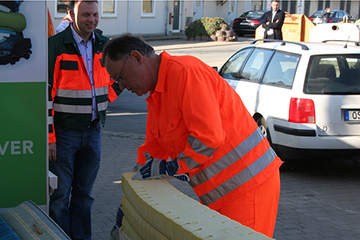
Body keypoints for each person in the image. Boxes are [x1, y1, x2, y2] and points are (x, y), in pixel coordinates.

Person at [101, 34, 283, 238]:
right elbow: (151, 154)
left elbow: (209, 138)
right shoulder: (157, 95)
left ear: (136, 57)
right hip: (220, 194)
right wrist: (128, 201)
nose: (122, 87)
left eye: (121, 77)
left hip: (249, 187)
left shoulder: (186, 72)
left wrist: (172, 168)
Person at [48, 1, 121, 239]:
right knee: (60, 197)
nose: (91, 19)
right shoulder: (56, 46)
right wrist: (50, 138)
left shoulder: (106, 46)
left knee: (85, 197)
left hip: (93, 132)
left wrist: (103, 101)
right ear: (71, 14)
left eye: (95, 14)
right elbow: (45, 95)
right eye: (86, 14)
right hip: (64, 134)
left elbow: (117, 80)